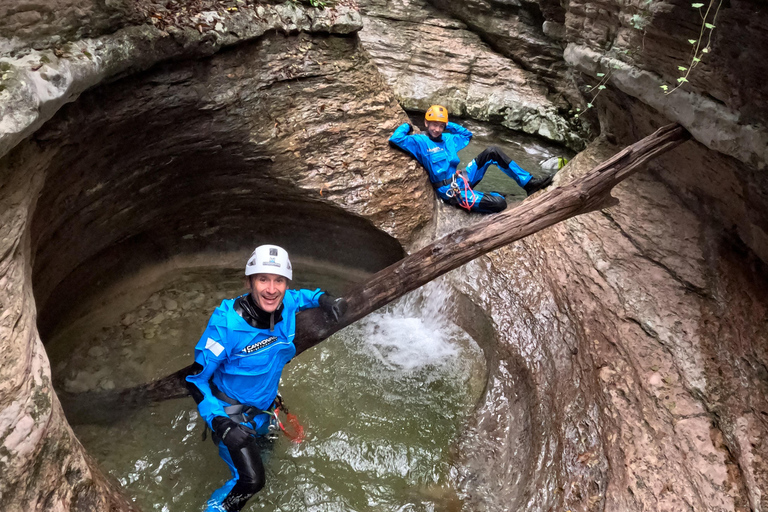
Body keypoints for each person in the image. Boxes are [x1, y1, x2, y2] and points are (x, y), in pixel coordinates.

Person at [186, 244, 347, 512]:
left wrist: (324, 298)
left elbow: (302, 296)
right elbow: (195, 379)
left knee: (266, 460)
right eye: (263, 279)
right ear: (249, 282)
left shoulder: (287, 303)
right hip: (233, 419)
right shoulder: (226, 325)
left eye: (279, 281)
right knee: (251, 482)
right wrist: (221, 424)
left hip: (265, 410)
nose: (271, 289)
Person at [389, 105, 555, 214]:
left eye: (440, 126)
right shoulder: (419, 141)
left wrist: (447, 124)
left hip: (462, 177)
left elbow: (467, 135)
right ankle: (492, 195)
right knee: (499, 203)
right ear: (426, 123)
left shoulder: (449, 138)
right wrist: (407, 125)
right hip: (450, 191)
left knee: (492, 151)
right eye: (433, 124)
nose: (437, 129)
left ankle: (529, 183)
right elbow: (396, 139)